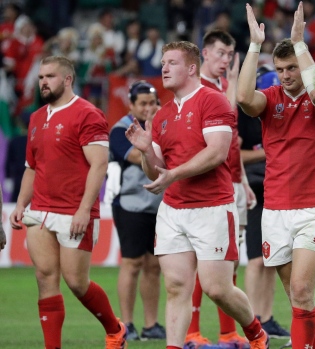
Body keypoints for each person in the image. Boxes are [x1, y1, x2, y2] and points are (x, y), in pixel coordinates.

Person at [124, 41, 268, 349]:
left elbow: (216, 153)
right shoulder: (161, 115)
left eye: (172, 62)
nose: (163, 68)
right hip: (173, 209)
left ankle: (256, 333)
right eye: (162, 62)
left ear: (191, 68)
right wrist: (147, 150)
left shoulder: (212, 101)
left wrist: (173, 174)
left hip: (212, 207)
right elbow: (156, 172)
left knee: (218, 288)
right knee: (176, 287)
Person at [237, 3, 315, 348]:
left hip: (314, 209)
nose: (285, 75)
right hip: (276, 210)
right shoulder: (270, 99)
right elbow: (242, 99)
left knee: (300, 290)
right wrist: (255, 45)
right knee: (299, 299)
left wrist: (300, 43)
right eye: (280, 69)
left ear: (304, 64)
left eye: (292, 68)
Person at [9, 55, 127, 349]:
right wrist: (21, 204)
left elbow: (99, 165)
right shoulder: (36, 118)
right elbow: (31, 167)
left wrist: (84, 209)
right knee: (45, 277)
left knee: (76, 282)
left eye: (49, 76)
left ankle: (115, 329)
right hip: (40, 210)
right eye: (40, 77)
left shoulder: (88, 114)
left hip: (75, 211)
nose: (43, 82)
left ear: (68, 79)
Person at [184, 28, 261, 348]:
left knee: (228, 260)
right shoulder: (195, 89)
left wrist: (243, 180)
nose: (225, 61)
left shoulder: (226, 86)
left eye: (229, 55)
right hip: (206, 188)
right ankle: (191, 332)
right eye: (220, 53)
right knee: (202, 262)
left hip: (233, 184)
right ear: (204, 53)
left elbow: (232, 141)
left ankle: (228, 332)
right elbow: (217, 128)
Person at [109, 80, 165, 341]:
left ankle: (151, 324)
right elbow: (136, 156)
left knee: (154, 265)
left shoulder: (163, 125)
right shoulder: (121, 130)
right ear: (131, 105)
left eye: (152, 102)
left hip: (159, 205)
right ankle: (127, 324)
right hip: (130, 204)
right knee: (132, 263)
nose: (148, 108)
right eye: (142, 103)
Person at [239, 65, 291, 340]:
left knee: (274, 259)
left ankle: (267, 317)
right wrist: (265, 152)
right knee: (256, 259)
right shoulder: (244, 114)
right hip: (255, 189)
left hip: (278, 187)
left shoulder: (279, 113)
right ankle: (253, 318)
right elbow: (235, 153)